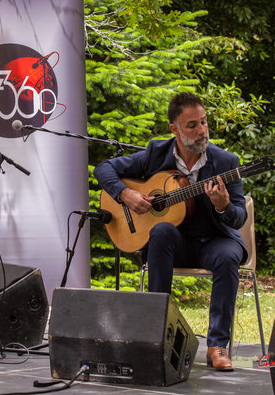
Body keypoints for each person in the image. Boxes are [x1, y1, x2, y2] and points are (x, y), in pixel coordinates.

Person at [94, 92, 247, 372]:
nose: (202, 131)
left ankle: (217, 346)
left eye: (204, 122)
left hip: (216, 241)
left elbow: (239, 217)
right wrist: (126, 194)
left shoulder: (226, 162)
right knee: (162, 230)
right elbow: (104, 169)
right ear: (174, 129)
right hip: (175, 244)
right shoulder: (156, 153)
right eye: (192, 125)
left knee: (227, 257)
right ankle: (157, 335)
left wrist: (224, 206)